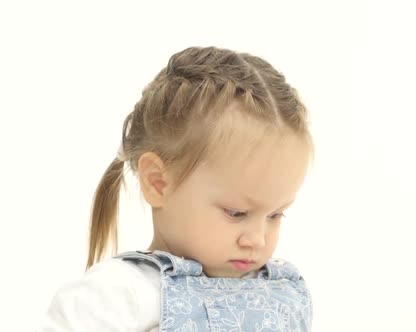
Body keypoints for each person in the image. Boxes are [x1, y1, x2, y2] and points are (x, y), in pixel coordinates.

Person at [37, 46, 315, 331]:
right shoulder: (117, 297)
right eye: (236, 213)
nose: (257, 240)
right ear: (158, 182)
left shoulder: (283, 291)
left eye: (275, 215)